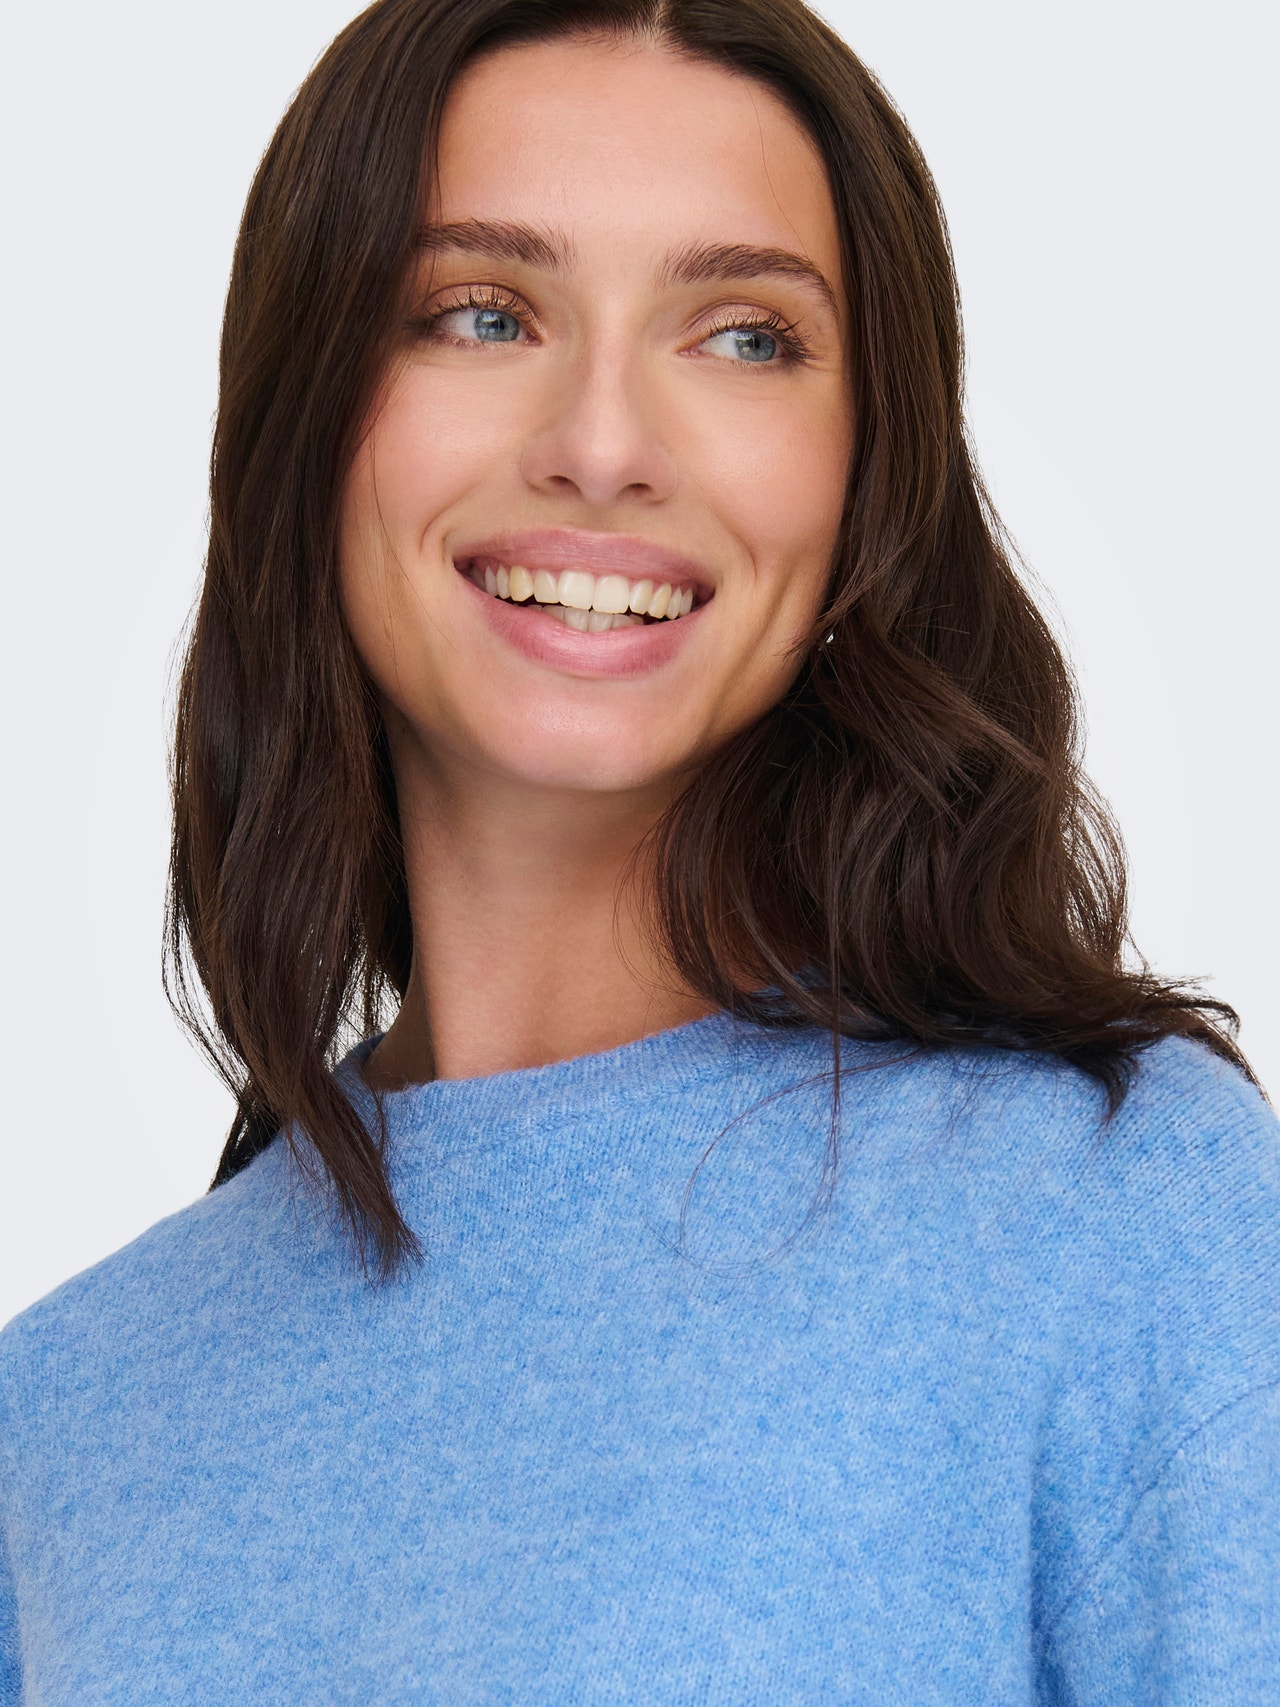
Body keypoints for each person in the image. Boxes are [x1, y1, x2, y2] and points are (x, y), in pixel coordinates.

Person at [2, 0, 1277, 1698]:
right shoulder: (62, 1420)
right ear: (306, 421)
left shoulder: (1116, 1217)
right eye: (481, 313)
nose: (603, 447)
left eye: (744, 336)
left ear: (864, 475)